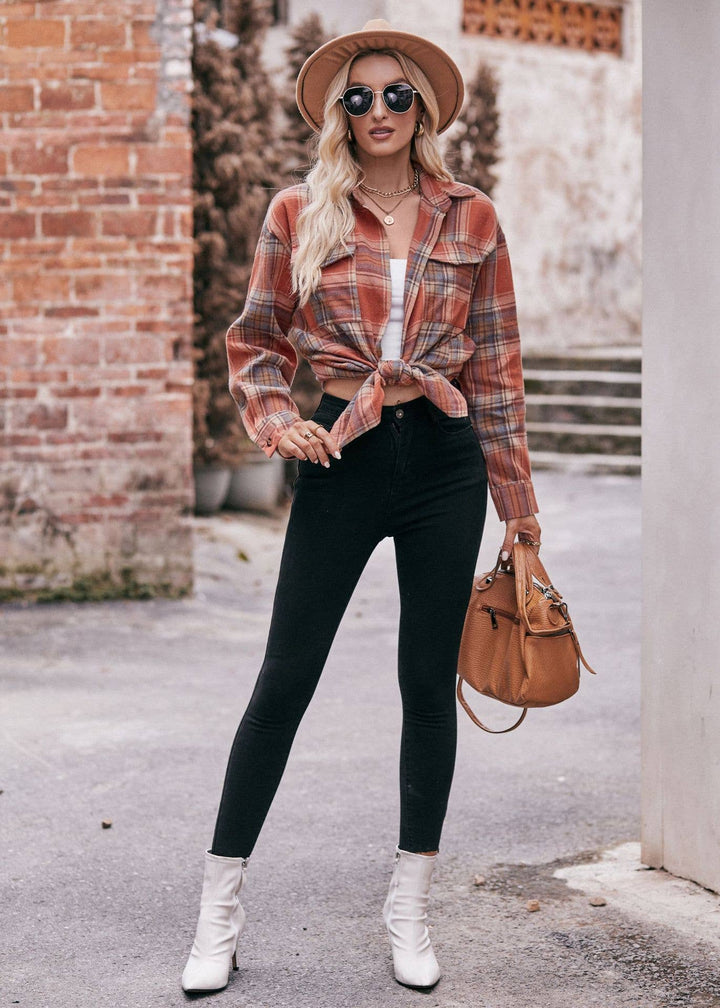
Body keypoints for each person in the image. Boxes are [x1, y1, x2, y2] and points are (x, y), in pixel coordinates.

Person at [181, 19, 541, 995]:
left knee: (428, 686)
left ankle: (409, 906)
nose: (377, 110)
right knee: (284, 679)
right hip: (342, 449)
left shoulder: (473, 218)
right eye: (358, 96)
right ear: (339, 113)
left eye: (394, 95)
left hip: (446, 459)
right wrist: (275, 422)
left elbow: (500, 369)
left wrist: (519, 508)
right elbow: (254, 341)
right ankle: (219, 906)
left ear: (420, 108)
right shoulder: (301, 209)